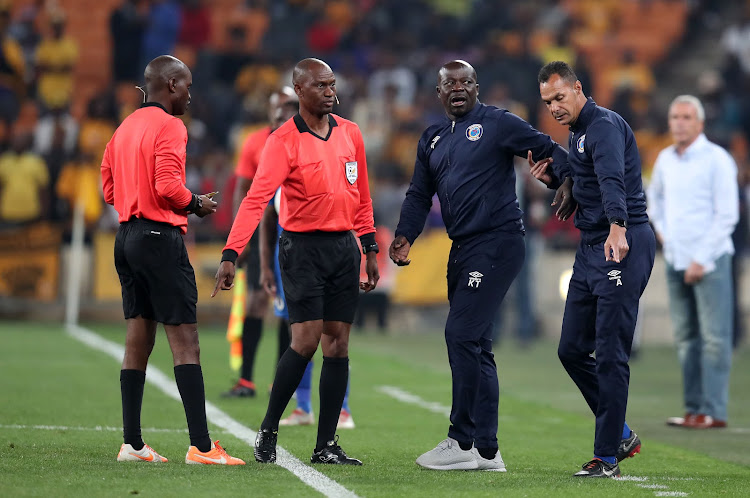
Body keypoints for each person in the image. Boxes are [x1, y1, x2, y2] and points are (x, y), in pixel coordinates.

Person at [390, 60, 572, 472]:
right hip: (463, 248)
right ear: (438, 94)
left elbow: (547, 148)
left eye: (465, 82)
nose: (458, 89)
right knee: (477, 345)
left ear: (477, 87)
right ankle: (487, 451)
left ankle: (461, 440)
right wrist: (405, 234)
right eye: (449, 84)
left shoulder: (497, 123)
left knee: (460, 332)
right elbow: (419, 194)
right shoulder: (432, 138)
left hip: (497, 241)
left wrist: (570, 182)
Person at [212, 58, 379, 466]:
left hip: (344, 248)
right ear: (300, 91)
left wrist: (369, 249)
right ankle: (268, 428)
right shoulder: (282, 141)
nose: (330, 91)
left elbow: (362, 197)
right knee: (305, 342)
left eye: (332, 84)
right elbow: (256, 200)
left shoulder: (350, 134)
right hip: (302, 249)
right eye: (321, 85)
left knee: (338, 343)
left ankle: (326, 445)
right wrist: (232, 253)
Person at [101, 55, 244, 466]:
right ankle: (201, 447)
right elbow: (167, 186)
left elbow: (108, 187)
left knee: (138, 340)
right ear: (170, 85)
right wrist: (196, 203)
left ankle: (132, 444)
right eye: (187, 86)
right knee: (185, 342)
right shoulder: (170, 126)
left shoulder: (125, 127)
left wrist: (135, 196)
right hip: (159, 238)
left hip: (126, 235)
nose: (190, 94)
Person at [531, 61, 655, 478]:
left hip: (619, 242)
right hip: (590, 248)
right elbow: (585, 177)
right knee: (570, 349)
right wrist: (556, 178)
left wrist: (618, 228)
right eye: (548, 102)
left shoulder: (602, 126)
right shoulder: (580, 133)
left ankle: (606, 457)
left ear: (578, 88)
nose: (554, 107)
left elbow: (611, 179)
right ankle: (618, 432)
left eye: (560, 97)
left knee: (610, 354)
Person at [647, 95, 738, 429]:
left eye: (686, 117)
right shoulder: (665, 159)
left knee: (714, 337)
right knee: (686, 337)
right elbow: (654, 201)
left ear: (700, 123)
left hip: (710, 260)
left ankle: (713, 411)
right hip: (676, 256)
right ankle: (693, 409)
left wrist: (701, 257)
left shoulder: (717, 159)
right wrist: (667, 238)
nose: (680, 123)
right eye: (675, 117)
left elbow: (727, 215)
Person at [221, 87, 298, 399]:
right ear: (270, 110)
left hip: (293, 232)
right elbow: (243, 189)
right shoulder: (256, 141)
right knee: (255, 302)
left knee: (288, 310)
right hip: (262, 231)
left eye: (290, 105)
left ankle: (280, 383)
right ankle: (246, 380)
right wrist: (241, 238)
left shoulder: (302, 139)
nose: (283, 111)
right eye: (279, 106)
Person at [259, 189, 356, 429]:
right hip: (291, 261)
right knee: (299, 336)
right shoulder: (279, 167)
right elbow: (267, 217)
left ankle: (342, 408)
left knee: (333, 334)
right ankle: (303, 407)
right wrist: (265, 265)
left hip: (326, 257)